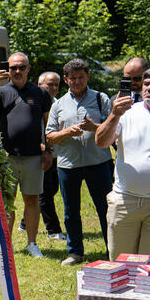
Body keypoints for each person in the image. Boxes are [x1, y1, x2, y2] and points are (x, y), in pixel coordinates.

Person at [0, 52, 52, 258]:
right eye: (13, 68)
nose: (18, 71)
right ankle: (5, 245)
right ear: (8, 69)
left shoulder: (40, 93)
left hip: (33, 157)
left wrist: (48, 149)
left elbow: (48, 124)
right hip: (7, 157)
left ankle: (32, 243)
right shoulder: (2, 92)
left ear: (29, 69)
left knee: (32, 200)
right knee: (7, 201)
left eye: (22, 67)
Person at [45, 58, 113, 265]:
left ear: (88, 77)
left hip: (99, 162)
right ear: (66, 80)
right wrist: (66, 132)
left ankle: (113, 249)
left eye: (80, 77)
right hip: (68, 165)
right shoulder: (58, 105)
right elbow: (49, 137)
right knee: (71, 210)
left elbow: (113, 129)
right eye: (72, 78)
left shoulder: (101, 99)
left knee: (106, 209)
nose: (77, 82)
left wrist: (95, 128)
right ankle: (75, 252)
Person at [95, 65, 150, 259]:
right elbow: (101, 142)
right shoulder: (127, 112)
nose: (149, 88)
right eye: (146, 83)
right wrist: (114, 114)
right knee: (120, 264)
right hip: (125, 200)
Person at [37, 71, 65, 241]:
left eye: (56, 84)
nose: (53, 88)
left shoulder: (58, 104)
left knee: (52, 188)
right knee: (45, 192)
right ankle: (53, 230)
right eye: (50, 84)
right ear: (40, 85)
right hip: (40, 154)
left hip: (57, 154)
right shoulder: (33, 103)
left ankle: (26, 222)